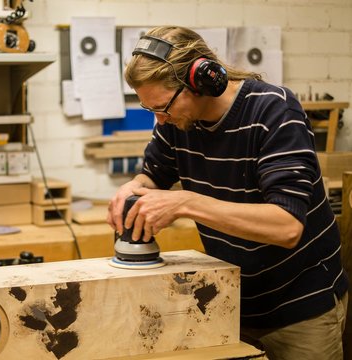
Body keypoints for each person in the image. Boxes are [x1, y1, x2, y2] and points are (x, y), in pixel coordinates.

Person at [107, 26, 348, 360]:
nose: (159, 121)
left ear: (201, 81)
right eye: (151, 110)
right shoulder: (177, 123)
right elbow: (153, 175)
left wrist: (186, 202)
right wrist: (133, 189)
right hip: (231, 301)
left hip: (299, 306)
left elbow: (287, 226)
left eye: (162, 106)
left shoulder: (273, 111)